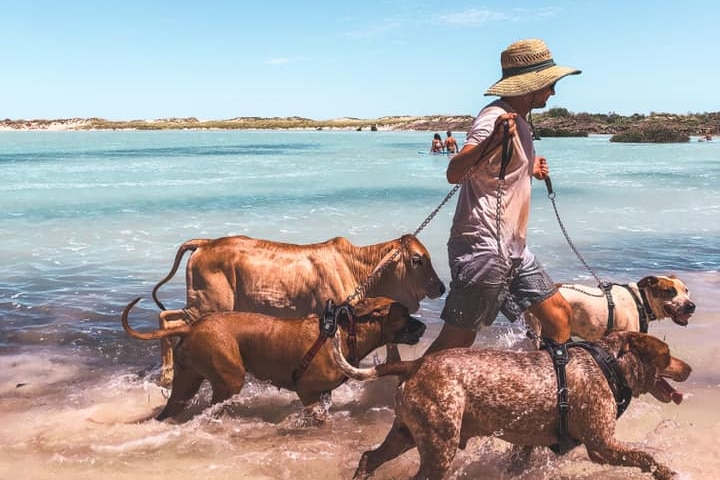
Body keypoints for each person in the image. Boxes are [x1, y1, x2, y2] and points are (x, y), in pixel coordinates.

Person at [424, 38, 581, 355]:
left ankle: (542, 393)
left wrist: (528, 168)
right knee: (457, 342)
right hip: (482, 246)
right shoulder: (493, 118)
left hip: (513, 247)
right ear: (530, 85)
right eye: (549, 84)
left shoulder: (520, 120)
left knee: (559, 319)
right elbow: (454, 173)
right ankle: (407, 394)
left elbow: (496, 171)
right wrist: (491, 140)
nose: (553, 92)